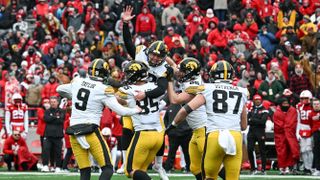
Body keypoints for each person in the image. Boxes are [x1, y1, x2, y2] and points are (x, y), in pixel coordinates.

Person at [56, 58, 141, 180]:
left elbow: (59, 89)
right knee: (107, 168)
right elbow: (121, 111)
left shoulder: (77, 82)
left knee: (84, 172)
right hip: (90, 131)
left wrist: (73, 96)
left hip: (73, 132)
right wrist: (136, 110)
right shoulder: (103, 89)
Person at [169, 60, 247, 180]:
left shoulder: (206, 88)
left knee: (210, 176)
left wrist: (173, 124)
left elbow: (185, 109)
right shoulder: (242, 92)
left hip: (212, 133)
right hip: (234, 135)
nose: (179, 73)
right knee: (196, 168)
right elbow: (243, 126)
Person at [165, 57, 225, 180]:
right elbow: (174, 66)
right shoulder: (190, 76)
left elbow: (174, 100)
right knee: (195, 168)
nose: (179, 72)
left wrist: (169, 80)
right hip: (196, 131)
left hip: (204, 129)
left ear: (189, 73)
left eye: (182, 71)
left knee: (214, 167)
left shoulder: (194, 86)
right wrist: (164, 56)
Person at [118, 61, 166, 180]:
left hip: (143, 135)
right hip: (158, 136)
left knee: (130, 171)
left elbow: (117, 99)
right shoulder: (154, 86)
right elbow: (162, 93)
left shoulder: (126, 90)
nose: (127, 76)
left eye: (129, 74)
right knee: (141, 170)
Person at [273, 97, 300, 174]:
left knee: (291, 150)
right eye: (284, 104)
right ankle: (282, 167)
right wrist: (286, 127)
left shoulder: (293, 111)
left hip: (290, 134)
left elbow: (293, 122)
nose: (286, 105)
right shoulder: (277, 112)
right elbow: (277, 124)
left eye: (287, 103)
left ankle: (288, 167)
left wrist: (287, 128)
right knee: (281, 151)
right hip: (280, 135)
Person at [41, 96, 65, 172]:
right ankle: (45, 165)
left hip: (58, 135)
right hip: (48, 134)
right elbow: (46, 119)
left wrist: (52, 117)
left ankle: (58, 166)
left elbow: (61, 120)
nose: (53, 103)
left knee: (58, 152)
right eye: (51, 102)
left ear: (57, 102)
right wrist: (56, 117)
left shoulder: (62, 111)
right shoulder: (47, 111)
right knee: (46, 150)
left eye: (54, 102)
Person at [247, 94, 268, 175]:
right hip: (251, 131)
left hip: (260, 131)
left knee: (262, 150)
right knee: (249, 149)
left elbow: (263, 121)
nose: (258, 101)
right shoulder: (251, 109)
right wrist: (256, 120)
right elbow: (247, 121)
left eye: (259, 99)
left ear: (261, 100)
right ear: (253, 100)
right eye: (256, 99)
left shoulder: (264, 109)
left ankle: (263, 169)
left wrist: (252, 119)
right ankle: (253, 168)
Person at [296, 90, 314, 175]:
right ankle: (306, 167)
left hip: (311, 128)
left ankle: (310, 167)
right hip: (302, 128)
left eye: (305, 98)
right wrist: (297, 132)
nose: (303, 100)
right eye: (302, 98)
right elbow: (298, 121)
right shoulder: (299, 107)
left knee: (309, 149)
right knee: (303, 150)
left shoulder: (313, 106)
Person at [309, 99, 320, 176]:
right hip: (316, 134)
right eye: (315, 104)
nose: (316, 105)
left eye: (318, 104)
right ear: (312, 105)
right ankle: (317, 168)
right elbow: (311, 123)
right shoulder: (311, 114)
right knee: (316, 151)